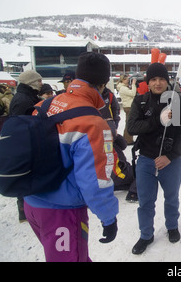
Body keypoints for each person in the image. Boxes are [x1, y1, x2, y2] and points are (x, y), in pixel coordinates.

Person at [23, 52, 119, 262]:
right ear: (103, 84)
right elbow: (95, 181)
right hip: (62, 212)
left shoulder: (44, 106)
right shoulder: (92, 123)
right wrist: (108, 218)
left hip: (31, 203)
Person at [127, 62, 181, 255]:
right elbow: (132, 128)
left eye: (162, 79)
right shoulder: (140, 102)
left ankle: (172, 226)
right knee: (145, 201)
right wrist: (157, 120)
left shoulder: (178, 102)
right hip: (146, 159)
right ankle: (146, 235)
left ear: (168, 80)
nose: (158, 83)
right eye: (153, 79)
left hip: (171, 161)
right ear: (148, 82)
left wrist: (170, 156)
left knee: (171, 198)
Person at [9, 70, 44, 222]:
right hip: (25, 144)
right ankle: (25, 211)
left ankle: (28, 209)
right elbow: (19, 125)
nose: (41, 83)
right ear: (32, 83)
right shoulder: (24, 100)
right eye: (39, 81)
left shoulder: (26, 97)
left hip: (27, 142)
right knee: (25, 176)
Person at [117, 74, 137, 145]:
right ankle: (128, 140)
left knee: (128, 123)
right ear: (122, 80)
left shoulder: (123, 87)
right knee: (129, 123)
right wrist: (133, 84)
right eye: (126, 79)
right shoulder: (123, 88)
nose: (128, 80)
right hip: (128, 106)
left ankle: (126, 139)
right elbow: (133, 93)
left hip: (127, 106)